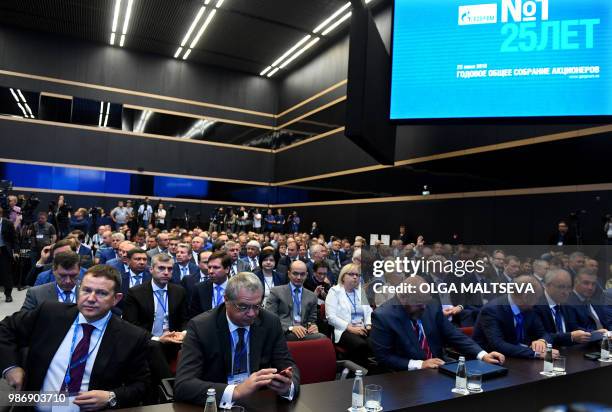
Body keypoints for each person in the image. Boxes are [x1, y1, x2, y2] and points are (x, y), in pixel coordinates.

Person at [0, 265, 150, 409]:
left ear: (116, 299)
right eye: (86, 290)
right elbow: (5, 328)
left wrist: (111, 397)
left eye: (101, 293)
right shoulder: (50, 313)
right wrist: (10, 367)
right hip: (34, 405)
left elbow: (142, 385)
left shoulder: (132, 337)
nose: (91, 298)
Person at [175, 272, 300, 408]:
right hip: (217, 404)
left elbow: (288, 365)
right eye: (243, 307)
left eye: (257, 306)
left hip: (258, 401)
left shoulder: (270, 322)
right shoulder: (201, 327)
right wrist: (236, 391)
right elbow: (183, 385)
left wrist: (287, 387)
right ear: (226, 300)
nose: (252, 313)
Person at [370, 276, 505, 371]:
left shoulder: (431, 305)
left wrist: (482, 354)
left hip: (440, 367)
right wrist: (420, 364)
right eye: (418, 304)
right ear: (403, 298)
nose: (424, 307)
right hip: (407, 376)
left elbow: (453, 334)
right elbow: (384, 357)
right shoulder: (383, 316)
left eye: (425, 302)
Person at [473, 275, 558, 359]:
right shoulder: (492, 310)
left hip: (520, 358)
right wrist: (536, 353)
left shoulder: (529, 308)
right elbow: (498, 345)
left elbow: (544, 333)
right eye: (537, 298)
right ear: (526, 297)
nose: (538, 302)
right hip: (493, 361)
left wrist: (542, 341)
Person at [325, 263, 372, 366]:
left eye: (358, 275)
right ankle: (359, 373)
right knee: (361, 345)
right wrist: (350, 328)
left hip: (362, 328)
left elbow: (368, 310)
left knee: (378, 341)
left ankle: (373, 371)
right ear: (343, 277)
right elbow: (330, 317)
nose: (355, 277)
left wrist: (368, 324)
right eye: (351, 274)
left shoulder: (361, 291)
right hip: (343, 330)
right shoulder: (334, 292)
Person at [265, 260, 325, 341]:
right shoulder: (276, 292)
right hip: (283, 332)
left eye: (302, 274)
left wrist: (313, 326)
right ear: (289, 274)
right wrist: (290, 328)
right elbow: (270, 318)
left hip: (303, 332)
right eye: (295, 273)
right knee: (321, 339)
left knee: (320, 339)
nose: (299, 277)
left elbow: (311, 320)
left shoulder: (312, 296)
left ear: (307, 275)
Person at [533, 269, 592, 346]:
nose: (566, 292)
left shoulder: (566, 305)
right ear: (547, 285)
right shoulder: (536, 305)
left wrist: (595, 334)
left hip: (568, 352)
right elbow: (542, 336)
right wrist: (570, 336)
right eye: (561, 287)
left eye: (569, 287)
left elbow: (574, 328)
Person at [190, 251, 231, 317]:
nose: (210, 271)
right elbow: (194, 316)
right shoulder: (199, 288)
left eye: (216, 267)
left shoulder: (236, 287)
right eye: (209, 267)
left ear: (227, 269)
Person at [0, 206, 17, 302]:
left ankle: (8, 294)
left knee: (6, 273)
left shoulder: (8, 223)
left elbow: (14, 239)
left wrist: (16, 251)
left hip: (4, 251)